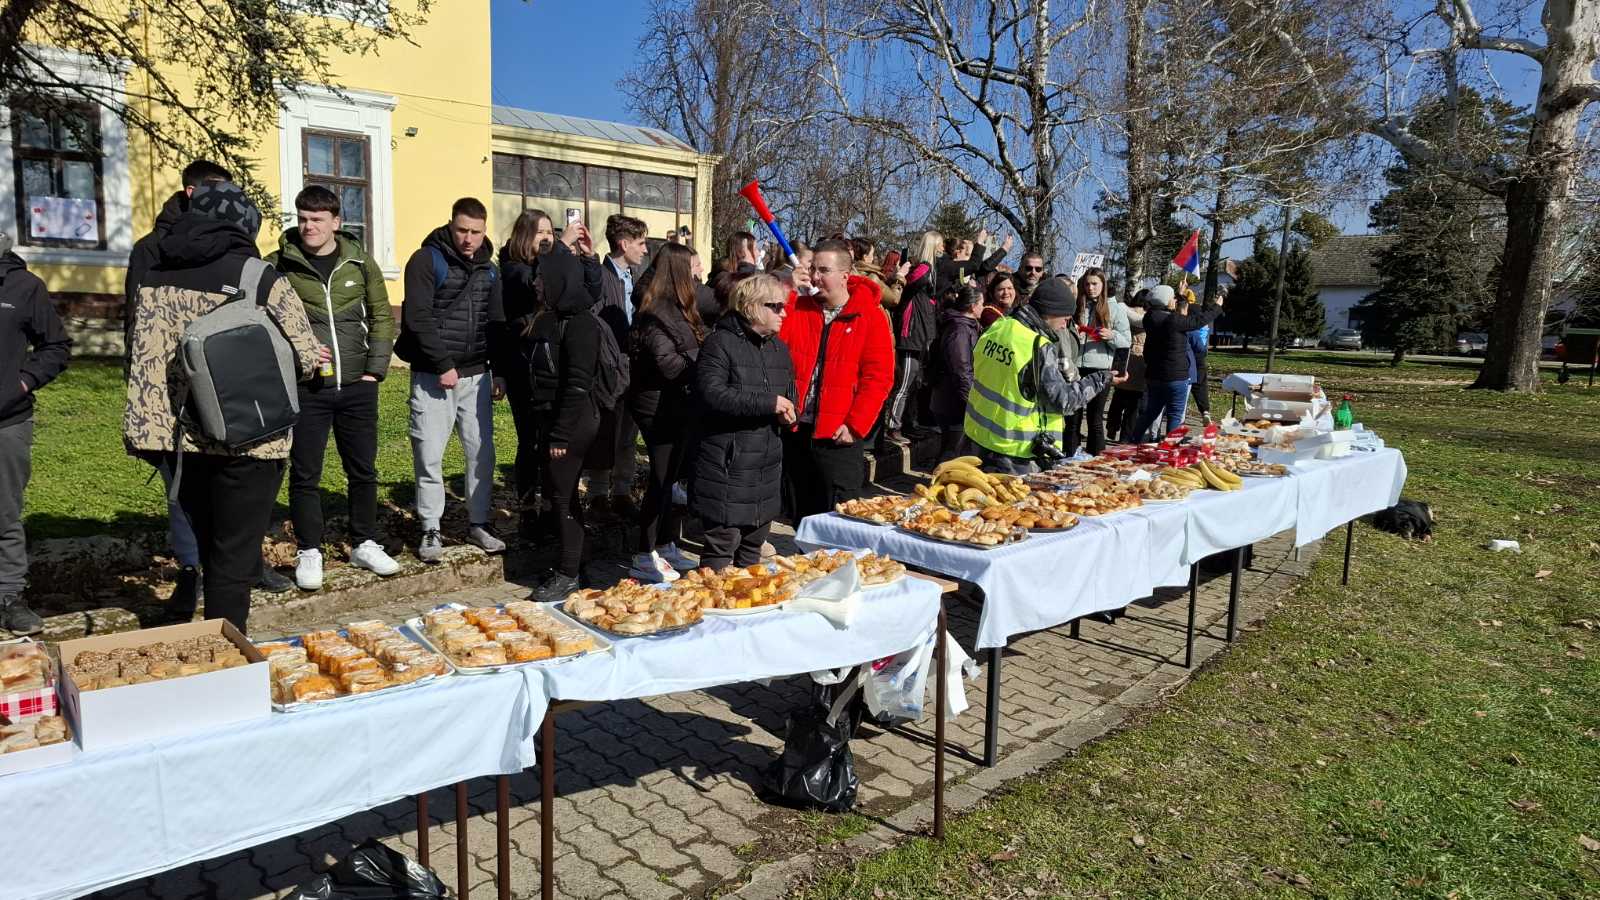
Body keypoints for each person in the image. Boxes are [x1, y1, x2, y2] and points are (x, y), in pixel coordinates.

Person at [123, 182, 322, 632]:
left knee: (207, 543)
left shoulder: (154, 274)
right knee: (233, 556)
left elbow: (142, 354)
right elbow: (307, 358)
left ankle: (211, 646)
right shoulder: (259, 277)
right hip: (249, 438)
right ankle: (227, 658)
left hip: (178, 439)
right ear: (245, 226)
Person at [266, 185, 399, 591]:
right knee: (306, 472)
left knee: (363, 469)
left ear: (336, 223)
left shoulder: (359, 262)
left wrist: (375, 370)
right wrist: (297, 354)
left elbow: (380, 314)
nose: (308, 227)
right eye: (303, 219)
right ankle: (310, 549)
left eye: (317, 220)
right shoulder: (279, 266)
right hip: (309, 388)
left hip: (358, 385)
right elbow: (265, 324)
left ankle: (364, 542)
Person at [396, 196, 508, 563]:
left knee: (481, 454)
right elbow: (417, 317)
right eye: (462, 230)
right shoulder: (426, 260)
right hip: (433, 375)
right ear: (450, 224)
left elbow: (496, 324)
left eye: (475, 232)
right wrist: (443, 363)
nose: (468, 239)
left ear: (484, 230)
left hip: (476, 375)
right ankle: (430, 526)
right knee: (429, 452)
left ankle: (479, 522)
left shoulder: (489, 270)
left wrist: (500, 372)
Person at [499, 209, 600, 539]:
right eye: (540, 232)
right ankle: (529, 511)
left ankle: (549, 510)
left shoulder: (557, 260)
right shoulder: (513, 266)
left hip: (552, 365)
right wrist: (559, 250)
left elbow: (588, 294)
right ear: (524, 236)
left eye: (550, 232)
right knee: (530, 441)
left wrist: (588, 258)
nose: (546, 237)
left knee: (552, 441)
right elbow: (533, 289)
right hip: (525, 367)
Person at [779, 239, 895, 517]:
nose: (816, 276)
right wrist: (789, 291)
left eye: (824, 270)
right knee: (799, 508)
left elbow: (878, 377)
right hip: (796, 429)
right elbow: (776, 346)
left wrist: (856, 425)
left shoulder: (869, 316)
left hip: (838, 434)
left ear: (845, 275)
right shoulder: (800, 308)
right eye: (813, 268)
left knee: (839, 512)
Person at [692, 274, 796, 571]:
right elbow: (711, 394)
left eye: (783, 306)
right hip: (728, 466)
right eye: (776, 306)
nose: (783, 313)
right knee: (721, 549)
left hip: (765, 468)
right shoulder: (719, 343)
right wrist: (768, 403)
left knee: (753, 549)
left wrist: (790, 414)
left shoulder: (779, 348)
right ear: (751, 307)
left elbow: (790, 395)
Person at [963, 278, 1121, 475]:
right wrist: (1101, 379)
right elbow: (1064, 400)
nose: (1065, 325)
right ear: (1050, 312)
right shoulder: (1037, 345)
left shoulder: (999, 327)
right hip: (1014, 451)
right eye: (1065, 318)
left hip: (977, 438)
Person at [526, 250, 608, 601]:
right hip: (555, 418)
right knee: (564, 494)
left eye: (542, 277)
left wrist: (559, 433)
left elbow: (577, 384)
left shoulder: (581, 324)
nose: (536, 283)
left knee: (562, 498)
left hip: (572, 423)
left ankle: (567, 575)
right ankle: (575, 564)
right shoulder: (552, 318)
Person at [0, 233, 71, 634]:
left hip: (6, 420)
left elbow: (56, 346)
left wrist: (22, 384)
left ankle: (9, 596)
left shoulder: (22, 285)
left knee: (4, 513)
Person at [627, 243, 705, 582]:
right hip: (657, 407)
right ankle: (644, 553)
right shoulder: (655, 311)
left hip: (675, 404)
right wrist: (703, 360)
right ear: (678, 271)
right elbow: (668, 363)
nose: (699, 272)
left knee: (671, 480)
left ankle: (666, 542)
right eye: (694, 267)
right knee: (660, 480)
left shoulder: (678, 307)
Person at [587, 214, 649, 519]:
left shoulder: (638, 277)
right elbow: (595, 322)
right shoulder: (600, 276)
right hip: (609, 366)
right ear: (624, 244)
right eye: (640, 243)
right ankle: (598, 493)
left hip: (632, 365)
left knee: (627, 432)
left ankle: (622, 490)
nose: (645, 250)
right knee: (606, 430)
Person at [1131, 284, 1224, 440]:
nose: (1174, 299)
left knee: (1151, 411)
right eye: (1172, 297)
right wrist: (1217, 307)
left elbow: (1173, 310)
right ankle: (1170, 448)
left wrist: (1180, 294)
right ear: (1167, 301)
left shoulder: (1150, 317)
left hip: (1154, 375)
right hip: (1176, 376)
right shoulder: (1173, 321)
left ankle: (1134, 439)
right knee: (1175, 413)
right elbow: (1199, 321)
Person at [1063, 267, 1130, 457]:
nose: (1091, 288)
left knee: (1095, 418)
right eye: (1087, 284)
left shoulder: (1115, 309)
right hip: (1075, 367)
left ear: (1103, 285)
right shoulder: (1077, 306)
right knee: (1072, 418)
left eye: (1095, 284)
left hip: (1099, 369)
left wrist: (1111, 335)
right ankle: (1068, 458)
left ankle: (1097, 461)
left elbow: (1126, 342)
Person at [882, 230, 940, 445]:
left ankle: (908, 423)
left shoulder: (930, 271)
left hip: (922, 334)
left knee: (914, 383)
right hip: (911, 334)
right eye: (940, 245)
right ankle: (892, 427)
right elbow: (906, 287)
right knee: (904, 383)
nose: (943, 250)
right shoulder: (923, 269)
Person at [926, 284, 981, 463]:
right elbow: (961, 368)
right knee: (953, 449)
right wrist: (971, 399)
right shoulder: (960, 330)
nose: (983, 307)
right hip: (952, 399)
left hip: (949, 396)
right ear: (973, 306)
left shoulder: (964, 326)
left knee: (951, 446)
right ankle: (938, 485)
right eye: (981, 303)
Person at [1108, 289, 1149, 441]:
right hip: (1140, 360)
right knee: (1134, 405)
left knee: (1118, 396)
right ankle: (1125, 436)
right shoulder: (1147, 317)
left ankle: (1112, 427)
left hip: (1124, 356)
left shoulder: (1123, 311)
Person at [936, 228, 1011, 293]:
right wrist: (980, 242)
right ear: (957, 253)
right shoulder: (948, 267)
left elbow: (985, 266)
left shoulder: (973, 274)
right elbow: (972, 266)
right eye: (969, 255)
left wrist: (1004, 249)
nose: (974, 259)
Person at [850, 238, 907, 310]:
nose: (873, 258)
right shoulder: (871, 277)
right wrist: (900, 276)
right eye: (872, 254)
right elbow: (894, 300)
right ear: (865, 257)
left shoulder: (850, 273)